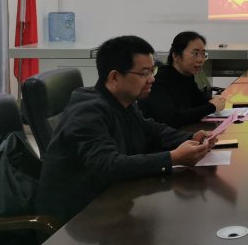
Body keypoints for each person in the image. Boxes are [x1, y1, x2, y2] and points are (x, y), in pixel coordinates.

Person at [37, 36, 218, 224]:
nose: (152, 79)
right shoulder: (88, 111)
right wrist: (173, 158)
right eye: (145, 73)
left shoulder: (122, 100)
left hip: (110, 200)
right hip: (76, 219)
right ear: (115, 77)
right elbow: (108, 165)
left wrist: (191, 138)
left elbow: (151, 131)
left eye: (152, 71)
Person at [140, 31, 226, 128]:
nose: (200, 60)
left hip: (178, 132)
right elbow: (172, 119)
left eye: (203, 54)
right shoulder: (157, 81)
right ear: (176, 56)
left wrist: (214, 100)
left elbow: (199, 100)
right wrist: (212, 106)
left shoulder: (187, 76)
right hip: (155, 136)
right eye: (195, 53)